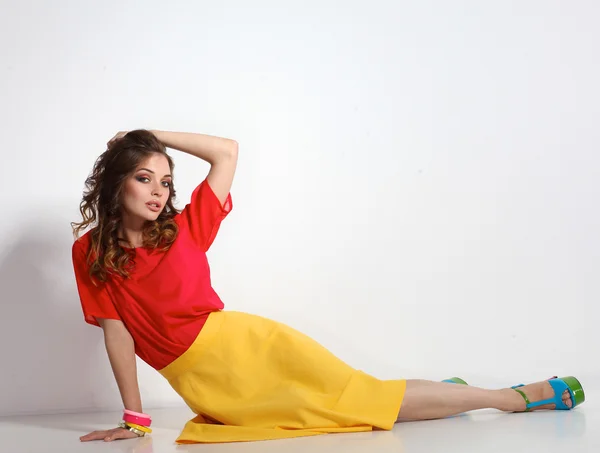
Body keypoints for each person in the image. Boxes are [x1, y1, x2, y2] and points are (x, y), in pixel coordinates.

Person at [71, 129, 585, 444]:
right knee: (355, 406)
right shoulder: (90, 252)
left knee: (363, 400)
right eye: (144, 177)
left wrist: (150, 136)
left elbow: (226, 152)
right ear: (116, 182)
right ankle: (443, 396)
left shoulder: (185, 227)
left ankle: (511, 398)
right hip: (206, 381)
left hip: (247, 347)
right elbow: (118, 334)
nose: (159, 192)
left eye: (165, 180)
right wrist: (136, 419)